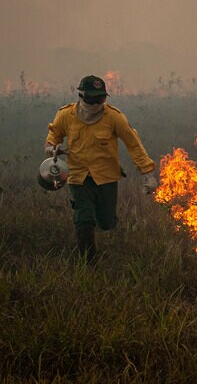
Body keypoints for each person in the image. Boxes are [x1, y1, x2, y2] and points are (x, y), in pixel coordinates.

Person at [45, 75, 158, 262]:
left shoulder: (114, 117)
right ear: (82, 95)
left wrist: (148, 174)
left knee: (106, 222)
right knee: (84, 218)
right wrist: (51, 148)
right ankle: (89, 263)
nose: (97, 102)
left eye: (101, 98)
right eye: (93, 97)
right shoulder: (66, 115)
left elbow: (133, 144)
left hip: (106, 177)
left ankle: (101, 225)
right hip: (78, 177)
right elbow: (54, 134)